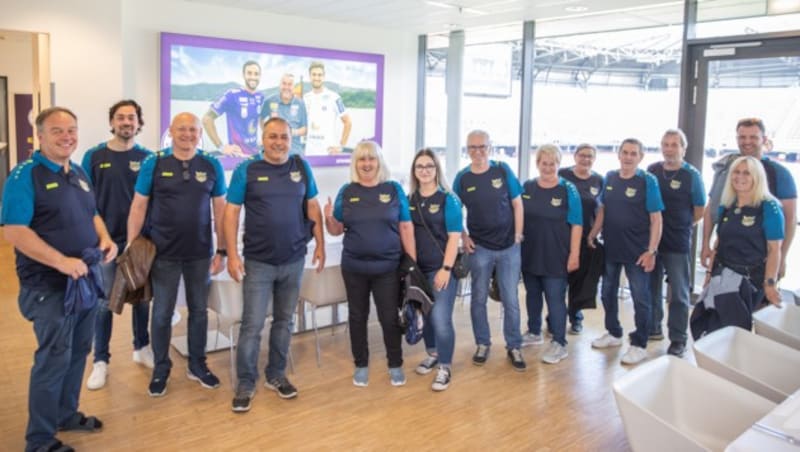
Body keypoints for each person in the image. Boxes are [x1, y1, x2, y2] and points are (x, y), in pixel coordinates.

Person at [2, 107, 118, 452]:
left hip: (83, 282)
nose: (67, 136)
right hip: (48, 287)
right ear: (40, 136)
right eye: (57, 131)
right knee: (53, 359)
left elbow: (92, 213)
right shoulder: (25, 175)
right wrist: (62, 262)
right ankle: (38, 440)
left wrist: (106, 239)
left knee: (79, 350)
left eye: (72, 130)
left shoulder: (79, 171)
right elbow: (15, 231)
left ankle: (66, 414)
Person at [225, 117, 325, 412]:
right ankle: (245, 381)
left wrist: (319, 243)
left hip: (294, 259)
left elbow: (312, 206)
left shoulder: (300, 166)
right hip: (258, 262)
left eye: (283, 136)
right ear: (262, 138)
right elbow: (231, 214)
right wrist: (231, 254)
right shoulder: (247, 169)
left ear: (290, 139)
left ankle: (276, 374)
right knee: (253, 324)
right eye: (272, 137)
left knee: (285, 321)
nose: (278, 142)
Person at [127, 112, 227, 397]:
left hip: (200, 254)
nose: (188, 134)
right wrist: (132, 247)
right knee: (161, 314)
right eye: (181, 129)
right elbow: (138, 206)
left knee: (198, 311)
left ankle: (197, 364)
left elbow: (220, 209)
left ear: (200, 133)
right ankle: (161, 368)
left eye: (193, 130)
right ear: (171, 131)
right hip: (163, 254)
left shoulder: (211, 164)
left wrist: (222, 250)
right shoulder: (154, 162)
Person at [323, 141, 415, 387]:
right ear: (356, 164)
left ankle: (395, 364)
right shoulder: (347, 191)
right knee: (357, 316)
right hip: (354, 267)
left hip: (387, 268)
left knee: (388, 317)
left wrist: (412, 262)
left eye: (371, 159)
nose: (366, 164)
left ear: (379, 162)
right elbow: (336, 230)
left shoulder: (393, 189)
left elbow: (406, 226)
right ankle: (360, 363)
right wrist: (328, 217)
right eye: (362, 159)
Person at [82, 100, 154, 391]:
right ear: (112, 122)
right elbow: (84, 200)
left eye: (132, 118)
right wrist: (100, 237)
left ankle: (141, 347)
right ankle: (101, 361)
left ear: (139, 123)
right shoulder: (94, 156)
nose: (127, 122)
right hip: (106, 242)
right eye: (121, 117)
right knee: (103, 304)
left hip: (139, 241)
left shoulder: (149, 158)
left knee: (141, 298)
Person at [452, 130, 526, 371]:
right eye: (472, 147)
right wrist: (464, 236)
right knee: (479, 298)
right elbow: (453, 212)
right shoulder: (462, 178)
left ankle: (514, 345)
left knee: (511, 299)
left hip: (508, 247)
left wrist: (518, 235)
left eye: (482, 146)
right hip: (480, 248)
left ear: (490, 147)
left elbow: (517, 203)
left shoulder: (502, 170)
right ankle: (482, 343)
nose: (478, 152)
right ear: (467, 150)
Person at [588, 138, 664, 366]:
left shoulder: (647, 181)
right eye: (625, 152)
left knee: (641, 298)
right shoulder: (610, 177)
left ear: (640, 157)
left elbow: (656, 218)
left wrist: (651, 250)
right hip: (612, 248)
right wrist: (593, 234)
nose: (628, 157)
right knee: (607, 293)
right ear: (619, 155)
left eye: (633, 153)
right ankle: (614, 333)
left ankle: (639, 344)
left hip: (638, 252)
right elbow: (603, 210)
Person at [701, 118, 796, 281]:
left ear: (764, 140)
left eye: (753, 137)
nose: (747, 142)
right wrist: (705, 245)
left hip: (759, 261)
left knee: (755, 305)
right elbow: (712, 207)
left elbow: (790, 219)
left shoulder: (779, 173)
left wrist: (782, 257)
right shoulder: (727, 170)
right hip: (726, 258)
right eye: (742, 137)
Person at [520, 144, 582, 364]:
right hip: (530, 253)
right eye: (543, 163)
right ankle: (534, 332)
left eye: (552, 163)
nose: (548, 168)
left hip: (557, 254)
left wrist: (574, 254)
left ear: (559, 164)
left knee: (555, 299)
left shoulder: (568, 189)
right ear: (537, 164)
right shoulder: (527, 186)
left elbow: (576, 224)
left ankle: (560, 342)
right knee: (532, 295)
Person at [408, 148, 463, 391]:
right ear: (414, 171)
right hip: (417, 272)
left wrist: (446, 269)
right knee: (426, 316)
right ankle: (432, 353)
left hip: (441, 270)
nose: (425, 171)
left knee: (441, 319)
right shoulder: (409, 200)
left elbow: (454, 237)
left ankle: (445, 366)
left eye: (429, 166)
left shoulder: (448, 199)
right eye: (420, 167)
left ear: (436, 169)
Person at [647, 129, 705, 357]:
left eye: (674, 145)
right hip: (652, 241)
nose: (669, 149)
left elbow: (699, 210)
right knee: (651, 288)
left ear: (683, 148)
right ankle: (653, 327)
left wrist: (682, 225)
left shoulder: (692, 175)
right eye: (665, 144)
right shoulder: (652, 170)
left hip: (677, 242)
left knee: (679, 294)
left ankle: (678, 339)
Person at [706, 156, 784, 308]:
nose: (740, 177)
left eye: (747, 173)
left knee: (735, 326)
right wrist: (709, 274)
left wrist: (770, 284)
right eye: (736, 172)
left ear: (757, 177)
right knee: (710, 325)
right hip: (721, 275)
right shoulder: (727, 204)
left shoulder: (769, 207)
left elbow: (774, 249)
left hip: (748, 280)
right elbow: (719, 242)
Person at [558, 143, 604, 335]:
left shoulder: (598, 180)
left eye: (590, 156)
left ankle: (575, 317)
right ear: (575, 156)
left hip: (585, 238)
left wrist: (594, 233)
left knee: (579, 281)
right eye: (582, 155)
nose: (586, 159)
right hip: (561, 236)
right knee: (558, 281)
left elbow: (602, 210)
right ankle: (555, 316)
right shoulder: (562, 174)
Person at [202, 60, 265, 157]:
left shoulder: (260, 97)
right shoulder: (232, 95)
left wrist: (265, 138)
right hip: (237, 156)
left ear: (260, 76)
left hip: (254, 155)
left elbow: (261, 118)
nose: (253, 77)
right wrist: (221, 147)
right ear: (243, 75)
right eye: (249, 73)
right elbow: (207, 119)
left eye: (256, 74)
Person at [303, 61, 352, 155]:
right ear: (310, 76)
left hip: (328, 152)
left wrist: (341, 147)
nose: (317, 78)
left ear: (324, 77)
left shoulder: (334, 97)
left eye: (319, 75)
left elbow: (348, 122)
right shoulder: (305, 98)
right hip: (309, 152)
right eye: (314, 74)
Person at [260, 73, 308, 156]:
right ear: (279, 85)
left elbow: (305, 129)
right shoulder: (269, 101)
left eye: (290, 84)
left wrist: (292, 132)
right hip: (273, 153)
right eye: (284, 83)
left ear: (293, 87)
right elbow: (261, 119)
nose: (286, 87)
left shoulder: (300, 103)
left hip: (294, 153)